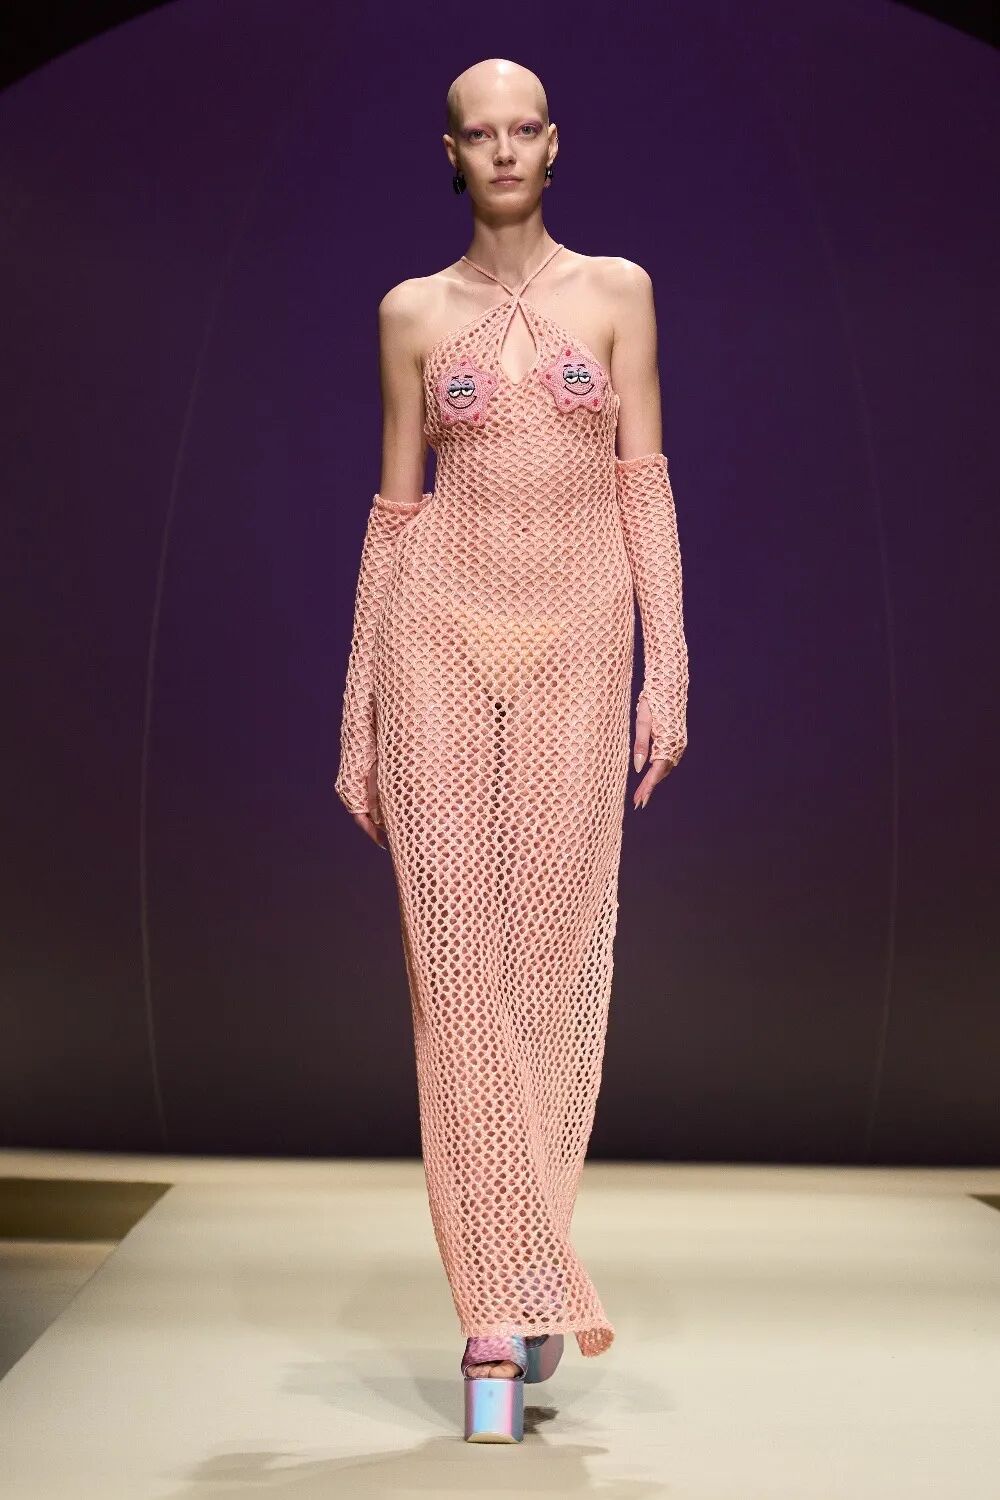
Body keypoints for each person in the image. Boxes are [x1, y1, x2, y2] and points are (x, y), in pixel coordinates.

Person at [334, 57, 689, 1443]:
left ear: (553, 142)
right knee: (453, 964)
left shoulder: (619, 292)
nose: (501, 151)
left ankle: (526, 1251)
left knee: (553, 955)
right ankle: (495, 1309)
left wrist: (670, 664)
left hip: (583, 639)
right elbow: (394, 505)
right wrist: (359, 700)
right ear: (451, 152)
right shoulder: (412, 313)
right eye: (476, 134)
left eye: (521, 129)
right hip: (433, 633)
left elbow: (644, 482)